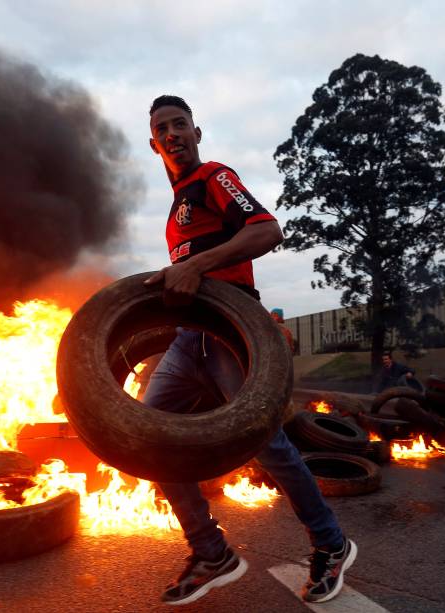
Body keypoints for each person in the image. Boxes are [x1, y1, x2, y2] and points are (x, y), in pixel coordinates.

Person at [142, 95, 355, 606]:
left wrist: (197, 266)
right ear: (153, 144)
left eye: (180, 124)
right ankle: (211, 552)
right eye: (162, 128)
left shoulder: (215, 177)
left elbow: (267, 229)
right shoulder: (175, 208)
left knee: (267, 444)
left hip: (231, 329)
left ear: (197, 132)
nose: (172, 133)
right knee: (149, 436)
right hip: (186, 339)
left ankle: (331, 544)